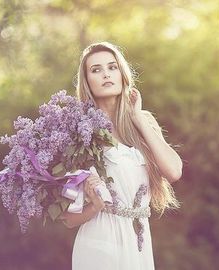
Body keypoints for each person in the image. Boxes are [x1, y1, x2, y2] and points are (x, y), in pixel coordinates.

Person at [60, 41, 182, 270]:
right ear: (87, 81)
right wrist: (95, 205)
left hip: (139, 243)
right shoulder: (81, 133)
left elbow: (174, 172)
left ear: (122, 73)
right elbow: (68, 219)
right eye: (96, 70)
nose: (106, 74)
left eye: (112, 67)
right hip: (100, 242)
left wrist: (138, 120)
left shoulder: (143, 120)